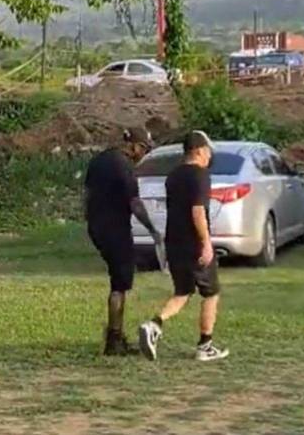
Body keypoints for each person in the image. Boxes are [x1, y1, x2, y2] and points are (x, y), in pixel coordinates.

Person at [138, 131, 229, 362]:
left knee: (183, 292)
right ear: (198, 150)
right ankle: (205, 346)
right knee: (212, 293)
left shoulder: (173, 176)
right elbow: (197, 211)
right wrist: (206, 244)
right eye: (208, 151)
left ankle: (153, 325)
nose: (209, 156)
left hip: (174, 242)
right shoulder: (200, 175)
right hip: (193, 244)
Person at [85, 127, 162, 356]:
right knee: (119, 284)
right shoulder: (124, 167)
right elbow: (135, 203)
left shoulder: (99, 160)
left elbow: (87, 194)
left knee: (118, 278)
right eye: (144, 149)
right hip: (115, 229)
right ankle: (114, 339)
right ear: (134, 146)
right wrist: (153, 230)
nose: (143, 155)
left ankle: (114, 335)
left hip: (97, 227)